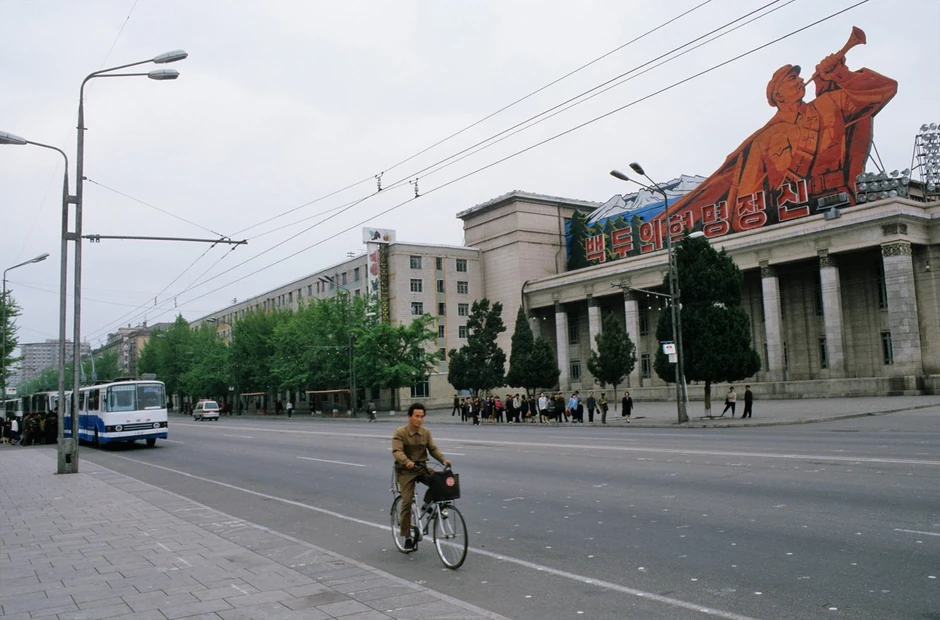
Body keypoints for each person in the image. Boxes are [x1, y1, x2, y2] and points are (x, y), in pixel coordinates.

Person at [651, 47, 897, 235]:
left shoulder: (830, 104)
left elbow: (885, 89)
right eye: (792, 79)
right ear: (778, 94)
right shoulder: (763, 141)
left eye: (798, 77)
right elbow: (747, 198)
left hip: (842, 205)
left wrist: (841, 75)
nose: (800, 80)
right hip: (790, 222)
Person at [392, 403, 451, 551]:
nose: (419, 419)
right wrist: (407, 461)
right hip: (405, 471)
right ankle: (406, 536)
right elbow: (397, 451)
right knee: (407, 501)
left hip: (422, 468)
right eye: (416, 416)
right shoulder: (400, 432)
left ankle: (426, 504)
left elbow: (433, 449)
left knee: (439, 481)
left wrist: (443, 460)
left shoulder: (426, 432)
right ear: (410, 417)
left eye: (422, 417)